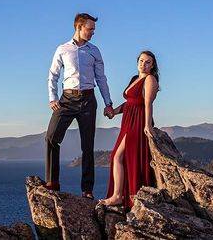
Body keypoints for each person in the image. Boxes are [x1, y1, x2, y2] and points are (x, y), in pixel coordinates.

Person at [45, 13, 113, 198]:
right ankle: (52, 181)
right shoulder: (62, 49)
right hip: (66, 100)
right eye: (90, 29)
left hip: (88, 100)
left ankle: (87, 190)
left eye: (93, 30)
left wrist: (108, 103)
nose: (92, 33)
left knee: (87, 145)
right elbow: (53, 75)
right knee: (51, 137)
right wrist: (53, 97)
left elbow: (101, 78)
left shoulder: (94, 51)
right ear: (79, 27)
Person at [99, 50, 160, 208]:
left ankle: (118, 196)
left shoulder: (150, 79)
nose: (143, 64)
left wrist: (147, 125)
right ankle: (121, 195)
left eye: (147, 62)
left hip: (138, 122)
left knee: (116, 156)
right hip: (127, 121)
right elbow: (129, 103)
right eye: (141, 61)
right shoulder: (135, 78)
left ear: (152, 66)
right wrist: (114, 112)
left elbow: (147, 104)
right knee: (122, 158)